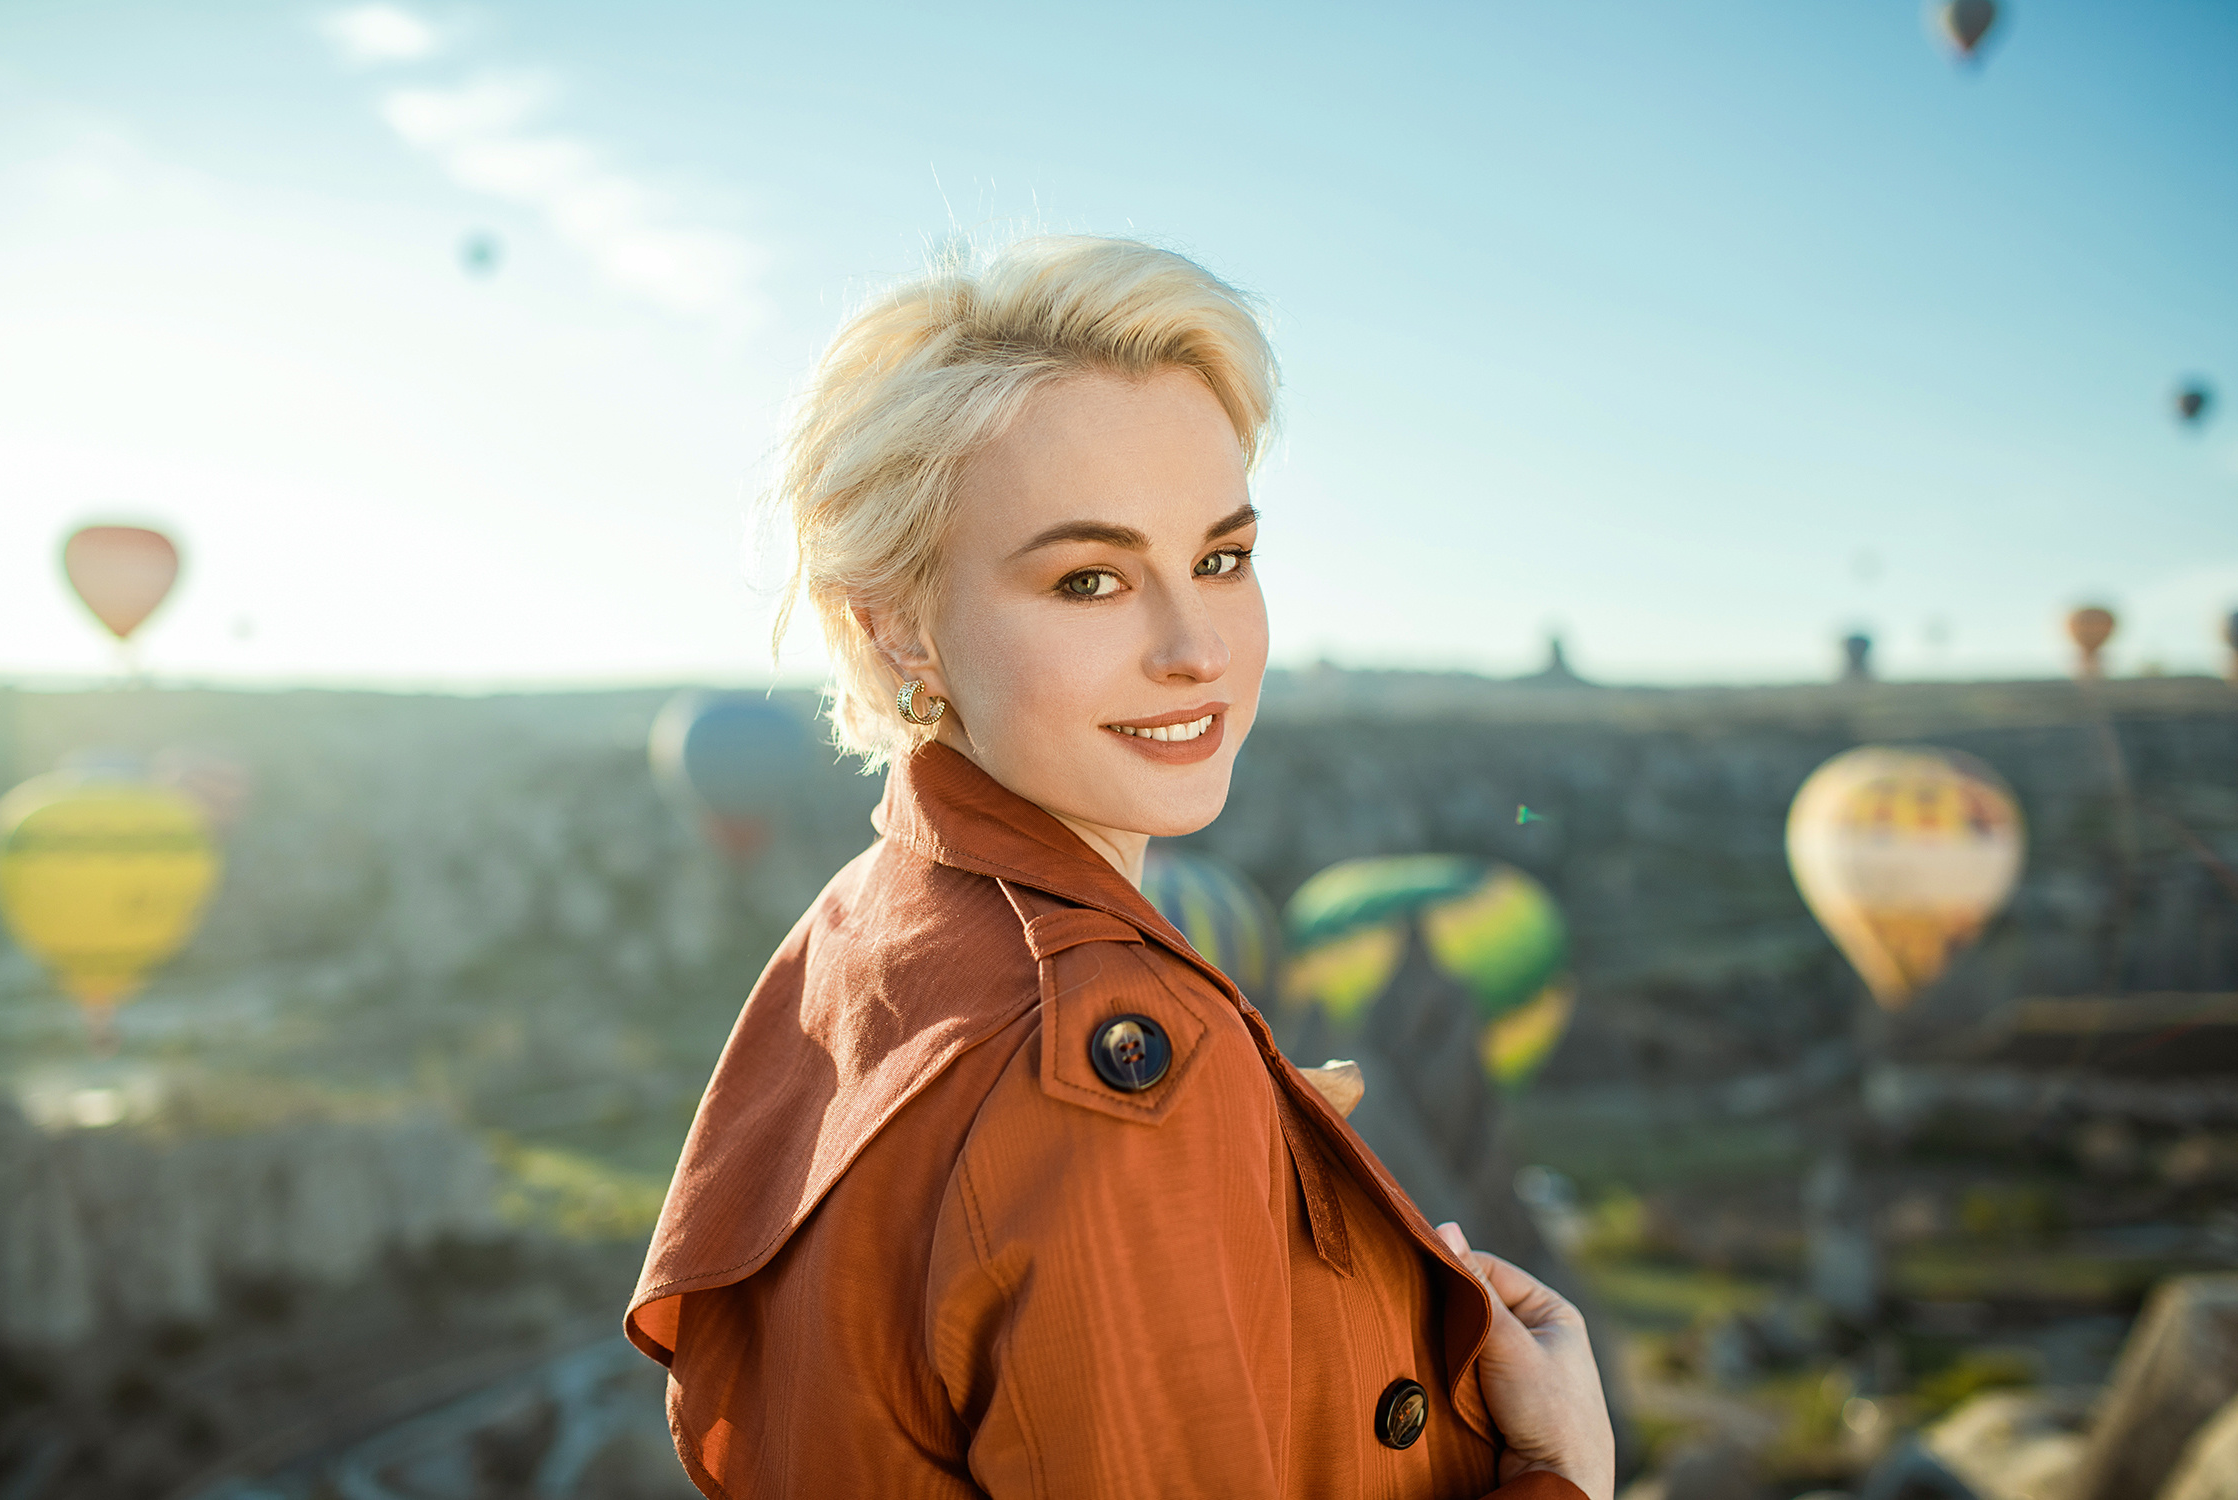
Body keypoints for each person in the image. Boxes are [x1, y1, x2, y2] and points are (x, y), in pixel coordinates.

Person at [626, 236, 1614, 1499]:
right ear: (896, 625)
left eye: (1220, 558)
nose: (1196, 648)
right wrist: (1563, 1474)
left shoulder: (866, 929)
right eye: (1088, 579)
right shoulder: (1108, 1071)